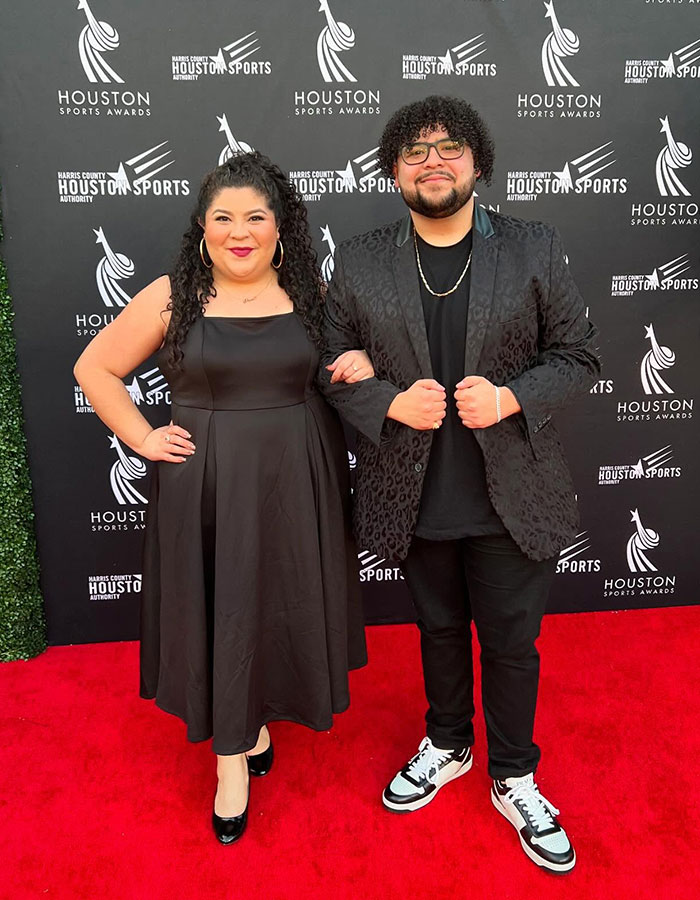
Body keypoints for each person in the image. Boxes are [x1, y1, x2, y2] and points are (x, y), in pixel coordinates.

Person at [321, 95, 600, 874]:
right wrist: (386, 401)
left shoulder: (533, 246)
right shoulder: (361, 258)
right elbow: (329, 363)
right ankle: (447, 743)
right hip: (412, 492)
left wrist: (510, 397)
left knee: (511, 642)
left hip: (512, 493)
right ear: (394, 172)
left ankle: (514, 774)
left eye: (449, 147)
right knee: (438, 631)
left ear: (478, 162)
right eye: (414, 152)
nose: (432, 162)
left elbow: (578, 356)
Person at [74, 152, 371, 845]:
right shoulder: (171, 295)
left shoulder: (312, 294)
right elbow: (96, 368)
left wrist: (360, 361)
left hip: (297, 479)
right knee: (225, 608)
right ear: (202, 228)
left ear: (280, 227)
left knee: (274, 603)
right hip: (206, 485)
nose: (240, 232)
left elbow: (344, 367)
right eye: (224, 218)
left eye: (256, 217)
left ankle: (256, 720)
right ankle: (229, 761)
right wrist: (143, 438)